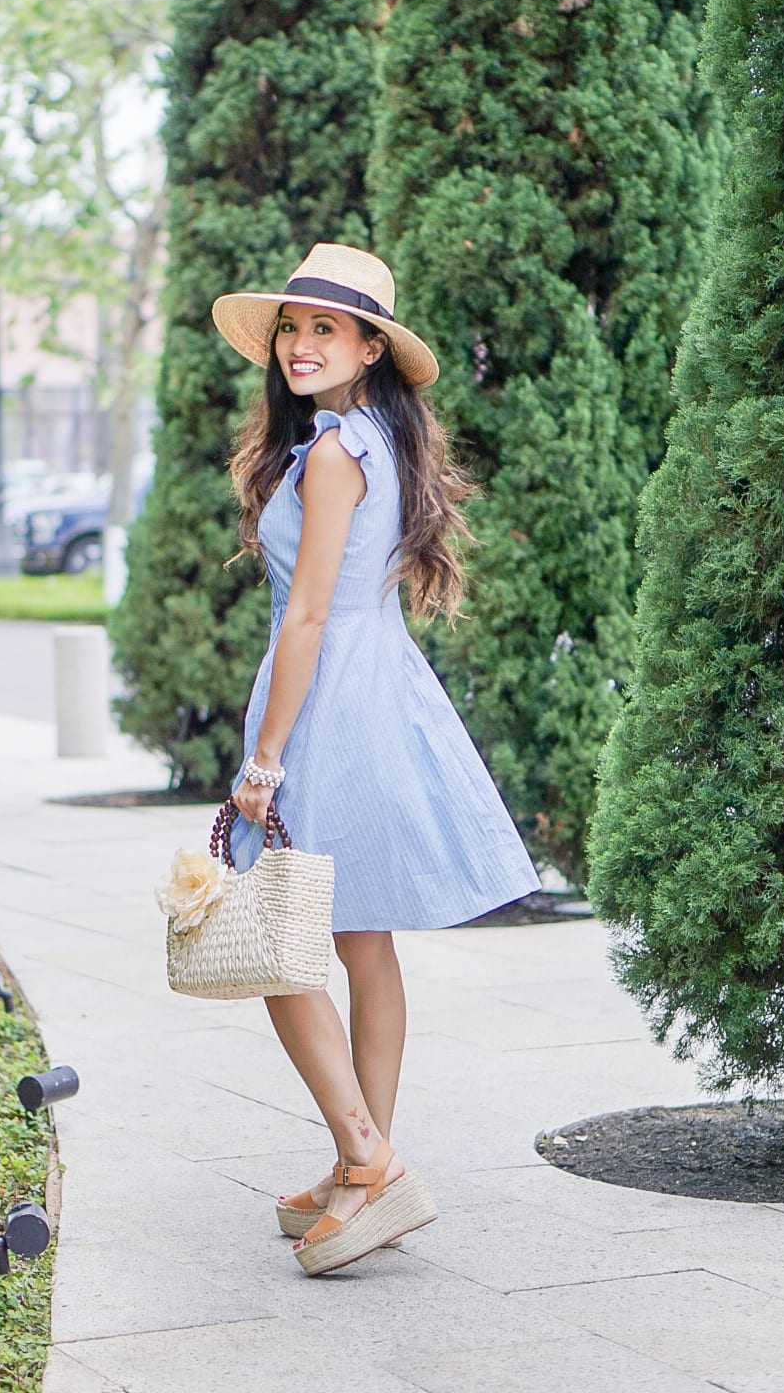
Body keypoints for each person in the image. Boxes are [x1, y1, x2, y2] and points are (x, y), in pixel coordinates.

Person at [211, 242, 542, 1277]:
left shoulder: (333, 456)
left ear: (367, 349)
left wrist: (265, 758)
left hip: (325, 704)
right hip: (373, 690)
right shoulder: (369, 442)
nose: (303, 344)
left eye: (327, 329)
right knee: (358, 938)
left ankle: (368, 1155)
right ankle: (363, 1168)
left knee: (278, 945)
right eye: (294, 328)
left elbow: (307, 612)